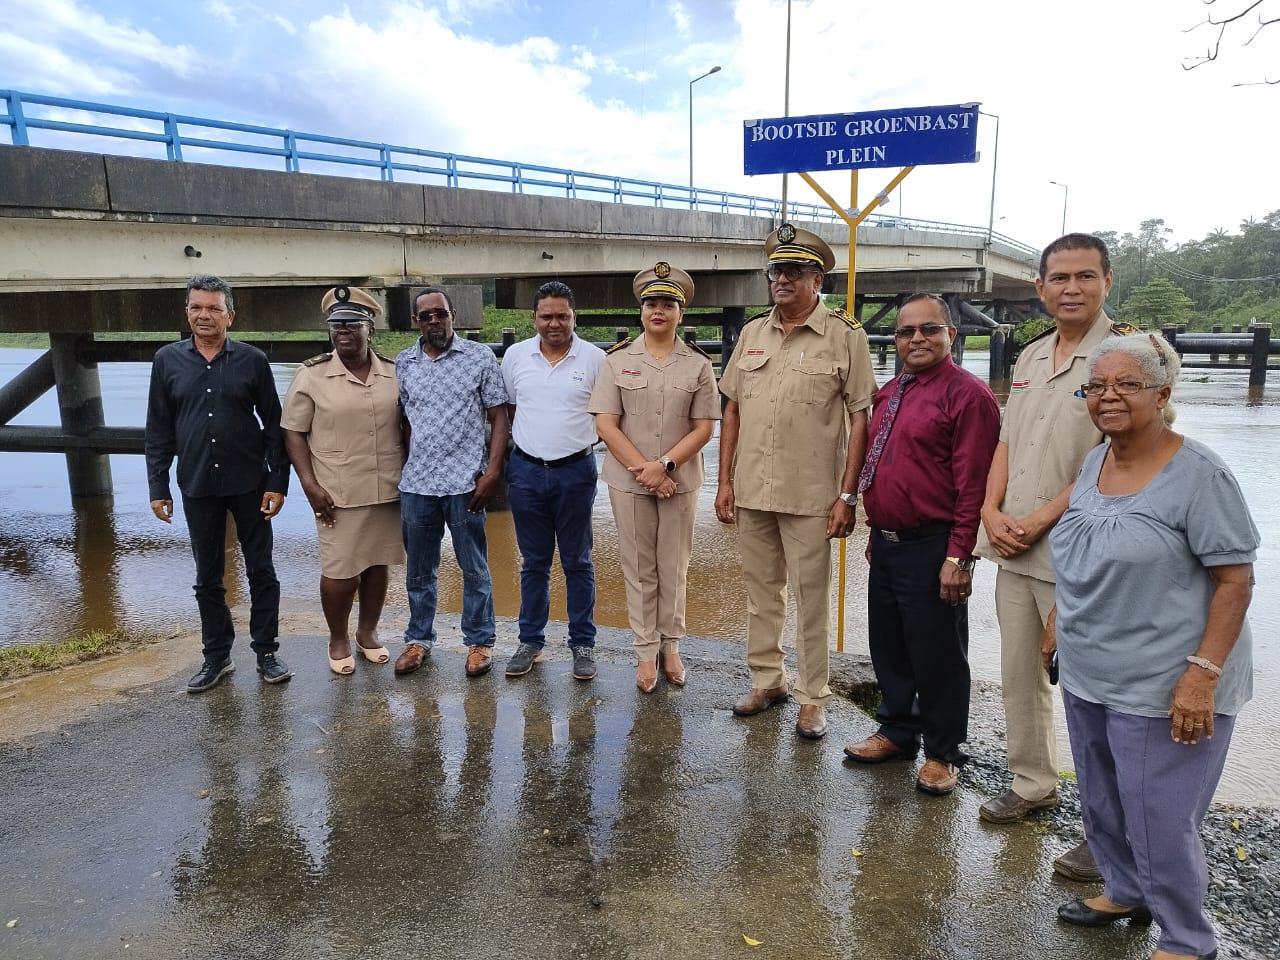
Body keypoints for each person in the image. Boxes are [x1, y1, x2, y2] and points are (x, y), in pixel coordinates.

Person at [1045, 333, 1256, 960]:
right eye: (1097, 386)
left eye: (1127, 385)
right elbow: (1086, 548)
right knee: (1102, 798)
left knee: (1161, 817)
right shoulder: (1096, 461)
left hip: (1166, 681)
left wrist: (1202, 673)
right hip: (1090, 670)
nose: (1108, 397)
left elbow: (1235, 580)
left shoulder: (1201, 475)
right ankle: (1125, 889)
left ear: (1162, 395)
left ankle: (1188, 939)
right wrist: (1058, 618)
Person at [974, 233, 1134, 882]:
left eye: (1084, 276)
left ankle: (1111, 836)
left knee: (1095, 698)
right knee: (1018, 676)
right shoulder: (1034, 354)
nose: (1071, 288)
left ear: (1106, 281)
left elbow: (1120, 460)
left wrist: (1040, 516)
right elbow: (1007, 442)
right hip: (1013, 547)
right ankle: (1033, 785)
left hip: (1083, 553)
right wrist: (989, 510)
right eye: (1059, 277)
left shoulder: (1125, 358)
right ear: (1039, 287)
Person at [716, 223, 876, 740]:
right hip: (753, 490)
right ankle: (768, 679)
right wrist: (724, 483)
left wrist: (848, 496)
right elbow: (733, 410)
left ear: (817, 279)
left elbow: (861, 420)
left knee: (811, 597)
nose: (782, 279)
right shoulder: (752, 333)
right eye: (776, 271)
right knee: (761, 592)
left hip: (812, 495)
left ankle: (812, 696)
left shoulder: (845, 336)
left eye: (794, 271)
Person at [843, 293, 1000, 794]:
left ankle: (943, 751)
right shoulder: (892, 392)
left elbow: (973, 484)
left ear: (951, 334)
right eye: (906, 332)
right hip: (888, 543)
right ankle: (897, 729)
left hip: (936, 546)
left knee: (938, 653)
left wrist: (960, 555)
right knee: (889, 644)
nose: (916, 339)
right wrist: (875, 528)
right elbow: (883, 466)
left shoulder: (969, 397)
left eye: (928, 330)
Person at [145, 274, 292, 693]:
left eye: (213, 308)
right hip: (196, 484)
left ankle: (267, 653)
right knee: (207, 575)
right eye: (196, 307)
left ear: (230, 314)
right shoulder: (167, 361)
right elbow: (158, 429)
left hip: (249, 483)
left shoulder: (252, 361)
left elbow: (274, 425)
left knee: (261, 569)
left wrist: (277, 481)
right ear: (186, 311)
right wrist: (158, 487)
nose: (204, 315)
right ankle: (217, 657)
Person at [588, 262, 720, 692]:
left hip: (678, 480)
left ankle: (671, 646)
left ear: (681, 312)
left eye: (667, 303)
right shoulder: (617, 360)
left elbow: (704, 427)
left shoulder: (698, 365)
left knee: (674, 567)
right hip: (629, 481)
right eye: (651, 303)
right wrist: (646, 471)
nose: (658, 310)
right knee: (639, 568)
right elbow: (607, 424)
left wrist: (664, 466)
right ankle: (645, 652)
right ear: (640, 311)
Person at [281, 286, 405, 675]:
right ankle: (338, 637)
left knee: (377, 562)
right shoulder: (312, 374)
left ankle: (367, 633)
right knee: (340, 570)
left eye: (352, 323)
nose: (343, 331)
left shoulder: (394, 372)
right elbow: (293, 431)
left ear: (371, 326)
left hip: (387, 487)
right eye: (336, 325)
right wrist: (308, 484)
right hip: (337, 491)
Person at [393, 286, 510, 679]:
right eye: (425, 316)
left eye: (439, 314)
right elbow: (406, 421)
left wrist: (492, 471)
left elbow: (499, 417)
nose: (433, 321)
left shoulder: (479, 358)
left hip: (465, 483)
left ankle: (479, 642)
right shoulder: (404, 363)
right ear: (416, 322)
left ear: (453, 315)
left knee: (474, 567)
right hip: (418, 485)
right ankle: (419, 639)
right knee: (419, 570)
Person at [501, 281, 606, 680]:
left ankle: (583, 643)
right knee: (533, 563)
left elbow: (608, 416)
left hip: (576, 471)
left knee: (578, 561)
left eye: (562, 315)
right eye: (546, 316)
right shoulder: (515, 357)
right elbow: (510, 409)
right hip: (526, 472)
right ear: (534, 319)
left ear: (574, 316)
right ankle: (531, 641)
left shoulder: (595, 359)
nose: (554, 323)